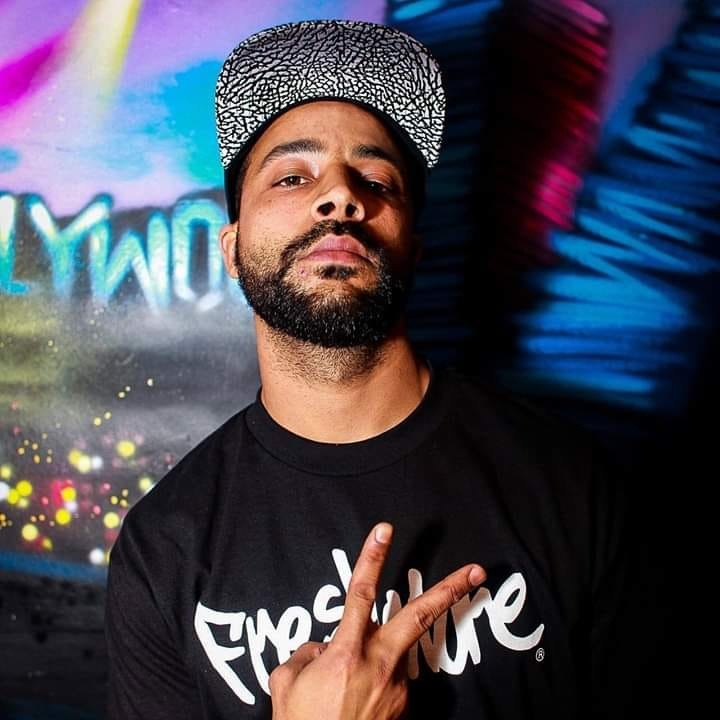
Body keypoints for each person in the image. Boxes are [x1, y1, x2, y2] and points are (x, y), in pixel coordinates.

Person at [104, 18, 644, 720]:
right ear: (232, 250)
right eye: (292, 176)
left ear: (414, 247)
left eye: (375, 177)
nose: (339, 196)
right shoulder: (163, 547)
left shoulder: (573, 486)